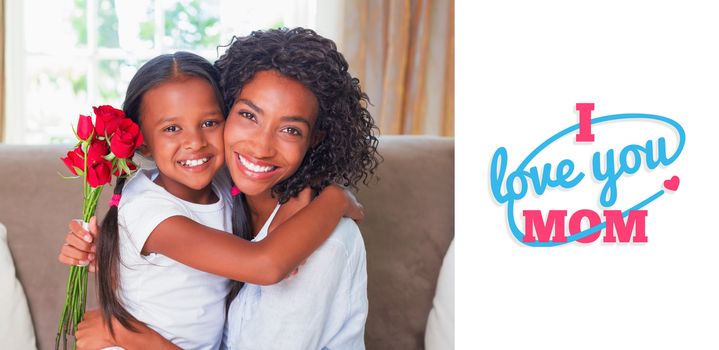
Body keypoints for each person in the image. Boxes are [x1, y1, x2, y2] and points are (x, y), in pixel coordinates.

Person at [61, 27, 380, 349]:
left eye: (209, 123)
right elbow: (263, 264)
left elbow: (252, 262)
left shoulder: (232, 188)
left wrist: (111, 263)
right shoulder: (156, 206)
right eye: (249, 115)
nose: (195, 142)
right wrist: (337, 199)